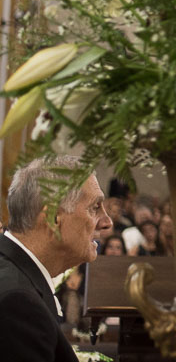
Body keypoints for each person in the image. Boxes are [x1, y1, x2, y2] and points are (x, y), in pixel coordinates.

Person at [0, 155, 112, 362]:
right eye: (95, 208)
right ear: (53, 218)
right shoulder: (17, 302)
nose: (107, 222)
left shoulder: (14, 275)